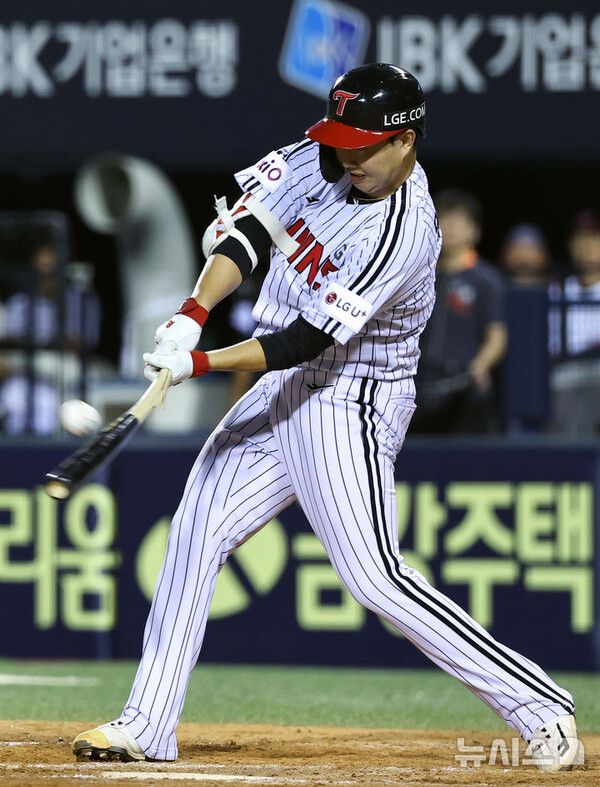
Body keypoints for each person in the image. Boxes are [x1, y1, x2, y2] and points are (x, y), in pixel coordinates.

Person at [73, 64, 580, 772]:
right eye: (341, 138)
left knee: (374, 578)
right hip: (283, 386)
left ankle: (541, 705)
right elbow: (248, 233)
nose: (348, 155)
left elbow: (305, 340)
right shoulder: (321, 157)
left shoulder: (405, 231)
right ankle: (148, 723)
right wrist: (192, 312)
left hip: (351, 396)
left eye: (364, 144)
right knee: (194, 531)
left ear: (406, 140)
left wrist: (201, 361)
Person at [411, 189, 507, 433]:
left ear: (475, 231)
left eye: (459, 221)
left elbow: (497, 336)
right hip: (419, 381)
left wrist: (481, 364)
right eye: (445, 219)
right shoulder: (420, 276)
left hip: (462, 383)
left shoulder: (486, 279)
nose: (451, 227)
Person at [549, 209, 600, 434]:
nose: (587, 246)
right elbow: (550, 346)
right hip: (565, 373)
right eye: (580, 239)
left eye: (594, 239)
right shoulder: (556, 290)